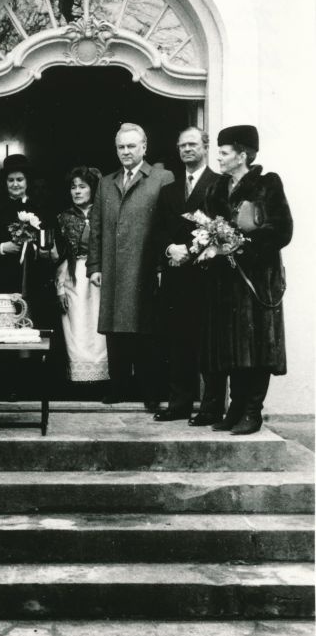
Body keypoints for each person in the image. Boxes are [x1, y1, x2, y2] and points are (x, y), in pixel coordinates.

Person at [202, 125, 293, 434]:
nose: (220, 158)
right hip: (225, 280)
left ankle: (253, 412)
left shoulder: (267, 184)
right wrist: (209, 244)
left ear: (242, 155)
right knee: (232, 347)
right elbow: (208, 226)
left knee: (257, 346)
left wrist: (244, 246)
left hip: (256, 280)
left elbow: (282, 230)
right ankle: (236, 407)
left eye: (224, 153)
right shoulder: (217, 188)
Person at [87, 122, 174, 408]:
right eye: (121, 147)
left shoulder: (162, 178)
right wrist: (95, 265)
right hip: (112, 268)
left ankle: (151, 393)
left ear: (144, 147)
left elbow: (168, 226)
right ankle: (119, 388)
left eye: (131, 146)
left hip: (146, 268)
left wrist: (162, 266)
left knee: (147, 332)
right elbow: (96, 227)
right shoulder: (106, 181)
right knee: (115, 331)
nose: (126, 151)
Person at [154, 127, 226, 424]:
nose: (187, 149)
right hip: (176, 279)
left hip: (208, 277)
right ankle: (179, 403)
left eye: (192, 144)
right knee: (178, 342)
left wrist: (193, 250)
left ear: (205, 147)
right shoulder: (168, 190)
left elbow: (224, 227)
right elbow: (157, 230)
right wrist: (170, 248)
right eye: (182, 145)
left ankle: (210, 407)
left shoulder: (220, 184)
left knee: (209, 344)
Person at [0, 153, 53, 327]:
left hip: (30, 281)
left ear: (27, 181)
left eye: (20, 179)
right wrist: (2, 247)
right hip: (0, 280)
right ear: (5, 182)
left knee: (30, 329)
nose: (15, 184)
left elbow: (47, 243)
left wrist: (40, 250)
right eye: (11, 180)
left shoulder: (39, 208)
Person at [56, 167, 108, 385]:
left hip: (99, 275)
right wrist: (60, 286)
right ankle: (79, 380)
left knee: (99, 326)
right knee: (77, 325)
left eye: (82, 186)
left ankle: (104, 377)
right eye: (73, 187)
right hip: (74, 276)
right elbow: (59, 256)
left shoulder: (104, 213)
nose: (76, 191)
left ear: (92, 189)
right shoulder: (63, 217)